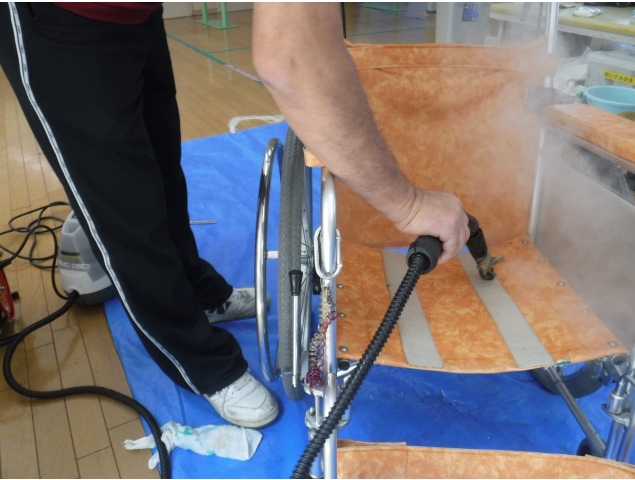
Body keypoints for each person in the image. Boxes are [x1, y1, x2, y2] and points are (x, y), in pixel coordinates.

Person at [0, 2, 469, 430]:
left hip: (135, 13)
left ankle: (198, 293)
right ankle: (200, 364)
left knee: (161, 172)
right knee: (122, 210)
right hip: (55, 15)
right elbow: (292, 58)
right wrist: (408, 204)